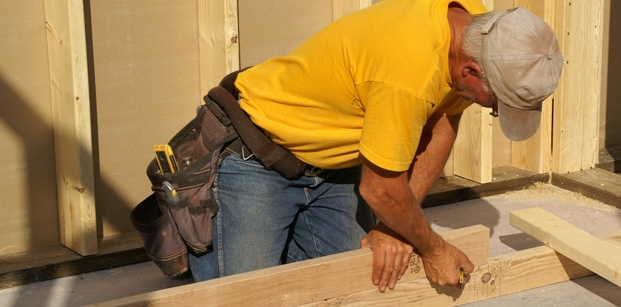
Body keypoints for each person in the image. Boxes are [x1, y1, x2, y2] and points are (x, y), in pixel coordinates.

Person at [189, 0, 564, 293]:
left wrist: (394, 225)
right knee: (248, 294)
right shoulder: (408, 70)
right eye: (495, 103)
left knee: (361, 285)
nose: (492, 109)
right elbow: (379, 188)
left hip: (334, 169)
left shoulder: (478, 29)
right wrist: (434, 248)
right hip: (258, 155)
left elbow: (445, 120)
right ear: (471, 71)